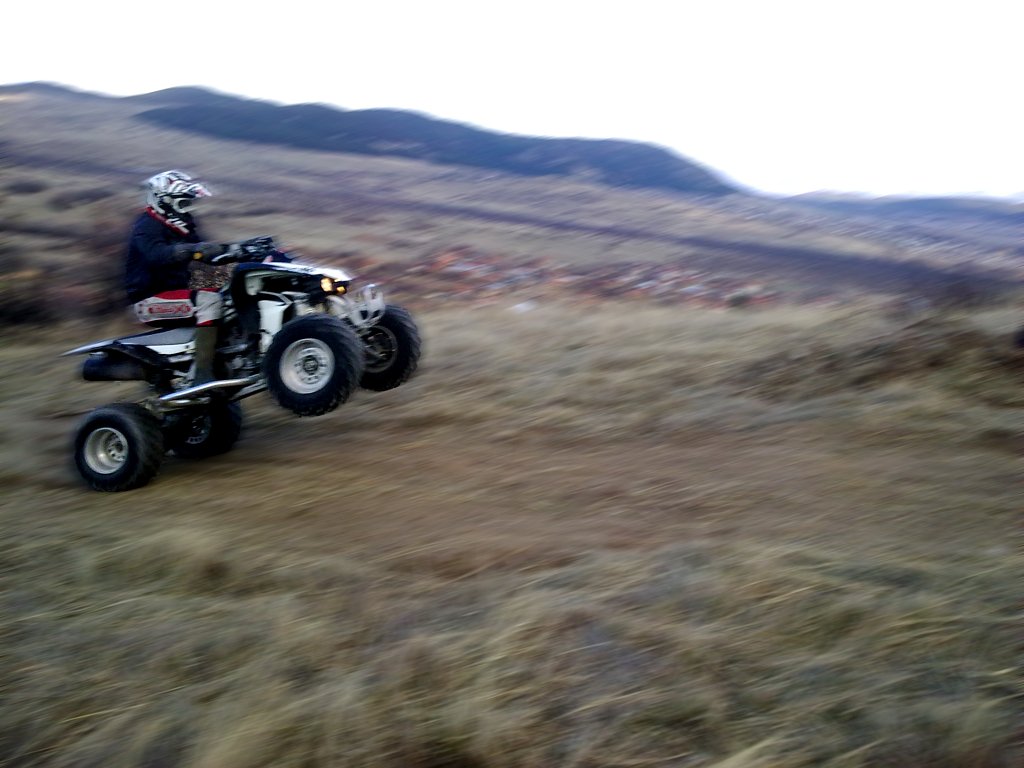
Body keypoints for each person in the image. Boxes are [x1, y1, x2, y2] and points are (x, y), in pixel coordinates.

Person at [125, 170, 230, 385]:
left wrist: (239, 251)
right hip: (148, 298)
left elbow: (206, 253)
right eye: (183, 204)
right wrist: (190, 250)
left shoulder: (182, 227)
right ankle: (202, 374)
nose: (188, 209)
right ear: (163, 201)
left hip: (175, 292)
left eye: (190, 204)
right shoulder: (146, 226)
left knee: (229, 295)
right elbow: (156, 255)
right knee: (210, 301)